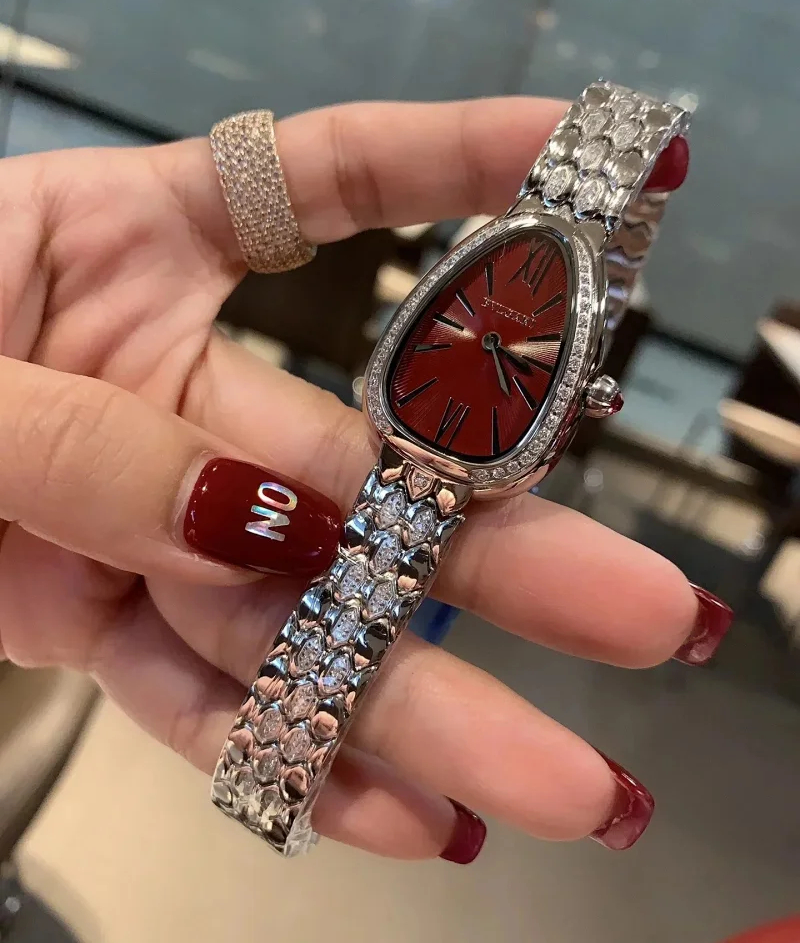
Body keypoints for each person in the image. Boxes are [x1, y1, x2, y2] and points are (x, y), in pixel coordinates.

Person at [0, 96, 731, 864]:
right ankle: (265, 779)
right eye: (477, 333)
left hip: (455, 453)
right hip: (416, 436)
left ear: (589, 397)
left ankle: (265, 782)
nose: (489, 343)